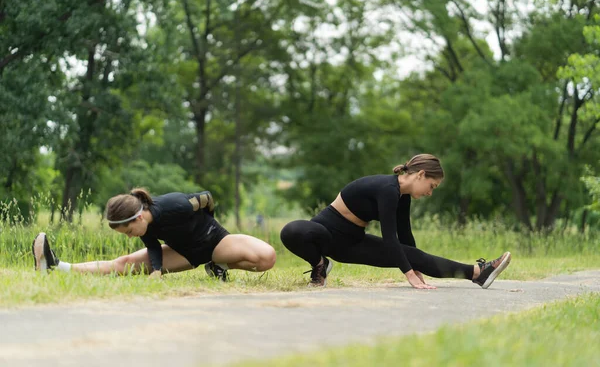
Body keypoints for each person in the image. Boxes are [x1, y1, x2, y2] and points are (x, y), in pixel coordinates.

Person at [280, 154, 511, 289]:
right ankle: (320, 264)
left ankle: (477, 273)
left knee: (413, 254)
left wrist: (416, 264)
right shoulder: (387, 189)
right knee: (292, 230)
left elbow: (405, 238)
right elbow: (390, 237)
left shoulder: (402, 197)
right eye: (432, 186)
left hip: (352, 244)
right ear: (420, 175)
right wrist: (408, 273)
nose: (431, 192)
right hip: (326, 233)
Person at [32, 189, 276, 281]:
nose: (129, 237)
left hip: (215, 241)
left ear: (138, 217)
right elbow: (153, 247)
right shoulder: (144, 227)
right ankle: (56, 266)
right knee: (124, 264)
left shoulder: (175, 204)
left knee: (266, 257)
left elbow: (207, 197)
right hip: (184, 253)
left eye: (128, 231)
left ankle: (218, 265)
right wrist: (157, 271)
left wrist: (210, 219)